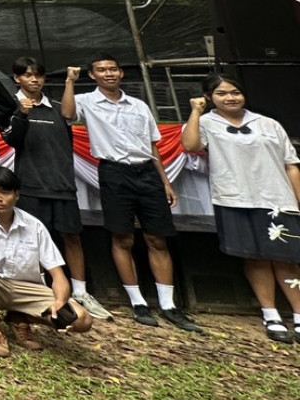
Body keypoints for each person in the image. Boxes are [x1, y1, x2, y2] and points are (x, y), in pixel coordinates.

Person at [63, 57, 202, 332]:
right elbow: (67, 114)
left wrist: (164, 181)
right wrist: (70, 81)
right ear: (92, 75)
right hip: (114, 172)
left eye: (113, 69)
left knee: (157, 237)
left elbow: (153, 145)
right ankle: (137, 302)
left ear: (121, 73)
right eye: (101, 70)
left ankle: (169, 304)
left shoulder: (138, 105)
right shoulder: (86, 101)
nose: (108, 74)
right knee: (122, 237)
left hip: (147, 172)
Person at [183, 73, 300, 342]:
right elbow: (190, 145)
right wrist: (196, 112)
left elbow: (291, 164)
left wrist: (297, 199)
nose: (230, 98)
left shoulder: (268, 123)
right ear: (209, 97)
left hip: (277, 199)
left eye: (235, 92)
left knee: (287, 259)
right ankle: (270, 313)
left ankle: (298, 312)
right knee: (255, 258)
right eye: (222, 93)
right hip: (234, 198)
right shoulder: (206, 123)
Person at [0, 57, 110, 322]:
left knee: (72, 236)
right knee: (31, 241)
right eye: (27, 75)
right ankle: (38, 292)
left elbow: (70, 116)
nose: (34, 80)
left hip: (62, 184)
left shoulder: (59, 107)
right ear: (17, 79)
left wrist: (70, 81)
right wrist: (22, 113)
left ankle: (80, 292)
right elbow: (12, 139)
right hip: (31, 186)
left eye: (38, 75)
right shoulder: (11, 107)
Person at [0, 166, 92, 357]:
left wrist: (60, 302)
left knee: (82, 320)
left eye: (4, 192)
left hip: (28, 290)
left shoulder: (33, 225)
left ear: (17, 195)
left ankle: (20, 317)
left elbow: (58, 275)